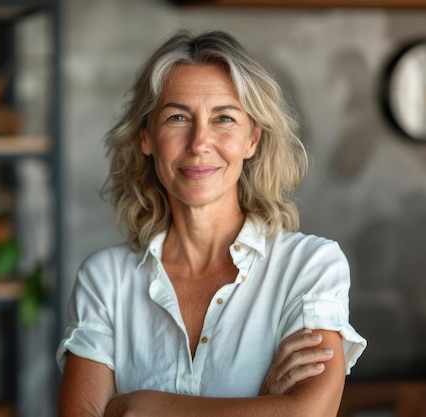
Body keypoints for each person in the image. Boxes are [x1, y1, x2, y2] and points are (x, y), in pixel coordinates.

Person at [56, 29, 366, 417]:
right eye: (177, 117)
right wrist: (263, 404)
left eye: (223, 118)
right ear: (146, 136)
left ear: (252, 139)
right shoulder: (104, 279)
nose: (199, 142)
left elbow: (307, 414)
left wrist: (147, 407)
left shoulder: (310, 266)